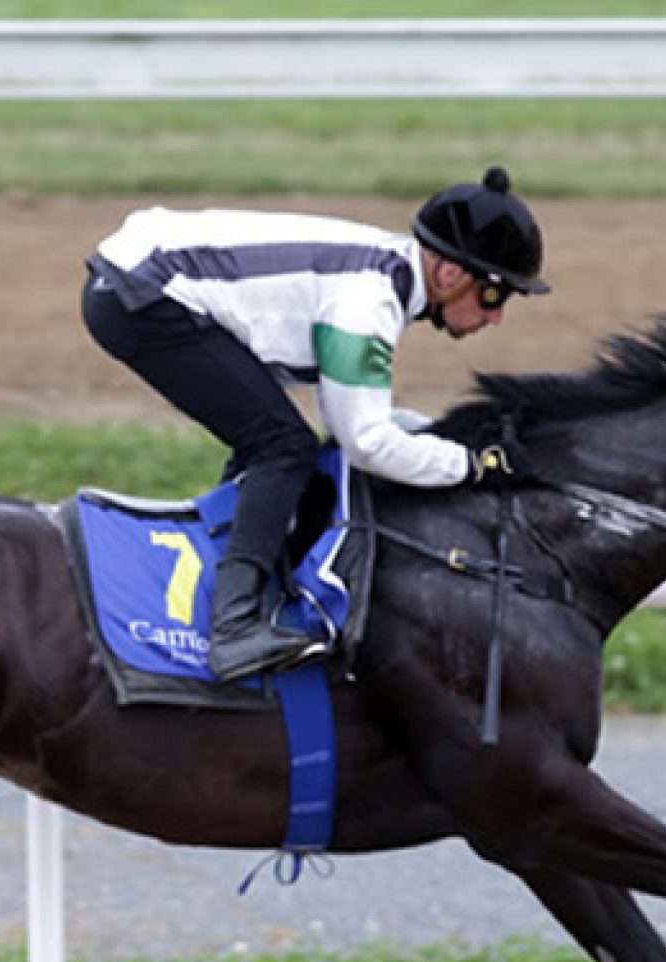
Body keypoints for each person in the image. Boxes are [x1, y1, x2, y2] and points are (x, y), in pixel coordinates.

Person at [82, 165, 549, 682]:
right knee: (282, 447)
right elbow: (367, 442)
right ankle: (233, 628)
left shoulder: (383, 276)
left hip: (140, 277)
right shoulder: (367, 303)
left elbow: (352, 417)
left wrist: (448, 444)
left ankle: (230, 589)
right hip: (143, 296)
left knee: (274, 439)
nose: (498, 316)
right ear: (449, 275)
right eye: (496, 295)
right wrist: (472, 465)